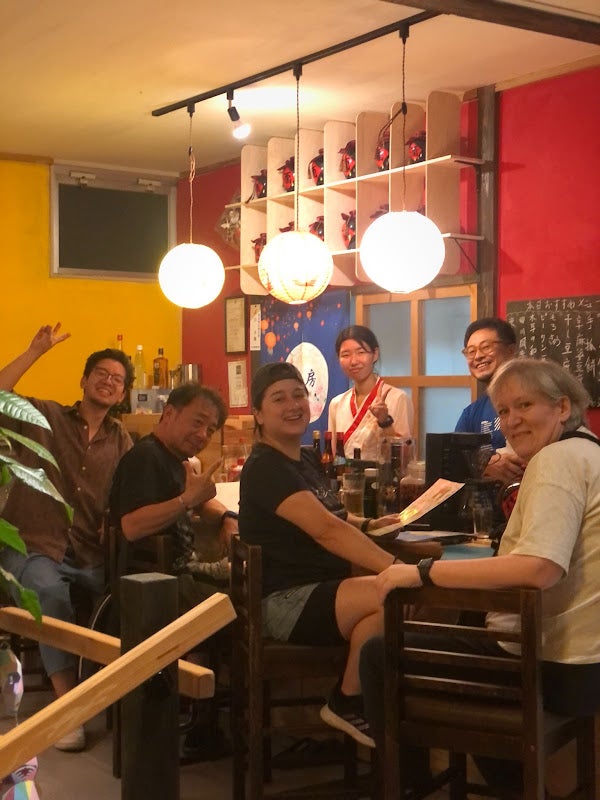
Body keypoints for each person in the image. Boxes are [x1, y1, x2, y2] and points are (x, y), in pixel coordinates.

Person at [361, 357, 600, 796]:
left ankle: (410, 788)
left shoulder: (556, 461)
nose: (512, 420)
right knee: (470, 632)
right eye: (504, 411)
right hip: (583, 660)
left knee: (378, 653)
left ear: (563, 407)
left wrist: (422, 572)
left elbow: (540, 566)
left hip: (554, 667)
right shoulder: (588, 450)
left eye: (524, 405)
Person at [240, 361, 404, 749]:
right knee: (399, 592)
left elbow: (335, 516)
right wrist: (398, 567)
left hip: (323, 589)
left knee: (388, 607)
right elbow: (326, 529)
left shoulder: (305, 459)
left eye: (299, 395)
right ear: (259, 414)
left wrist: (368, 524)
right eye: (279, 399)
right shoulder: (265, 467)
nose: (293, 405)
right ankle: (351, 701)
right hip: (286, 600)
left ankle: (354, 700)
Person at [0, 323, 133, 751]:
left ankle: (116, 698)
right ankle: (68, 709)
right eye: (101, 374)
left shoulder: (122, 439)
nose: (108, 381)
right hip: (34, 543)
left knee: (127, 598)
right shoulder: (45, 417)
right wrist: (34, 351)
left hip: (89, 551)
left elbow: (130, 492)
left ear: (123, 393)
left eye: (117, 379)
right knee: (49, 594)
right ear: (84, 380)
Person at [109, 382, 238, 611]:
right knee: (251, 600)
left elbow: (204, 502)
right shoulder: (145, 457)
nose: (203, 435)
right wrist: (187, 500)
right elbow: (132, 526)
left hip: (181, 575)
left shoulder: (176, 459)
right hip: (158, 588)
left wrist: (227, 517)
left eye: (210, 430)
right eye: (197, 422)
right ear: (169, 413)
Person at [455, 317, 525, 485]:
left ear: (511, 351)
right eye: (471, 351)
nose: (478, 356)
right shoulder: (471, 413)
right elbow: (454, 460)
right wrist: (483, 466)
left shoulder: (535, 400)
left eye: (486, 347)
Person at [328, 325, 413, 461]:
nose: (353, 361)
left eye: (361, 352)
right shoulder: (337, 403)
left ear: (375, 354)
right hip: (345, 474)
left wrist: (385, 422)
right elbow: (334, 456)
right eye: (345, 355)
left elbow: (405, 457)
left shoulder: (397, 398)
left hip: (383, 475)